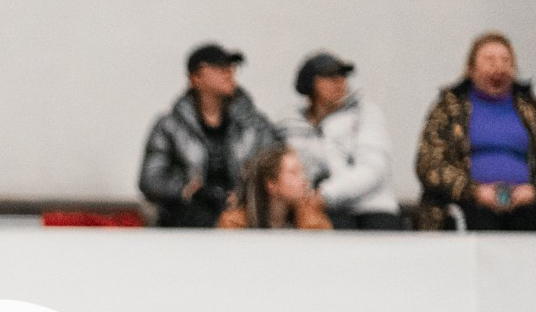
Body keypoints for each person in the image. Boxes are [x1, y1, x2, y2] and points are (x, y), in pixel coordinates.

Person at [416, 32, 536, 232]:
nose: (499, 67)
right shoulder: (449, 108)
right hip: (468, 203)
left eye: (506, 61)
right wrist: (474, 192)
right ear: (471, 69)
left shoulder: (532, 108)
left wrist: (535, 191)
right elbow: (429, 165)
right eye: (490, 60)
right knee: (479, 222)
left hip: (528, 203)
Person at [139, 43, 281, 228]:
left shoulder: (253, 124)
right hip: (188, 217)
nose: (229, 72)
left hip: (243, 212)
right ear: (196, 77)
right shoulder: (170, 126)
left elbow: (274, 164)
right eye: (219, 67)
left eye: (231, 67)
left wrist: (244, 194)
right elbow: (150, 179)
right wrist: (189, 189)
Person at [280, 52, 402, 230]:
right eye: (329, 76)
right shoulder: (290, 123)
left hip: (372, 209)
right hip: (322, 210)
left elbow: (373, 168)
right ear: (310, 82)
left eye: (343, 75)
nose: (339, 81)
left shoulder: (366, 114)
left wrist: (325, 194)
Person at [216, 146, 333, 230]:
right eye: (293, 172)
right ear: (271, 184)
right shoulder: (235, 224)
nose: (304, 179)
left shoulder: (311, 219)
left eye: (302, 171)